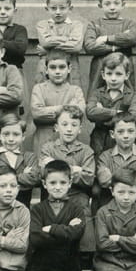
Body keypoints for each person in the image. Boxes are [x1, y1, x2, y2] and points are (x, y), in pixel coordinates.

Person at [39, 105, 96, 251]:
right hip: (52, 200)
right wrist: (76, 170)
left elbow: (89, 179)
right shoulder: (48, 148)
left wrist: (56, 165)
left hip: (78, 200)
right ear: (56, 127)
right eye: (64, 124)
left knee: (86, 239)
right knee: (49, 241)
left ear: (80, 128)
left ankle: (84, 258)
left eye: (74, 125)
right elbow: (44, 173)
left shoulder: (86, 151)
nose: (69, 129)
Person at [30, 49, 86, 156]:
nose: (57, 71)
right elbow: (37, 113)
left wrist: (49, 110)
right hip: (44, 137)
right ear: (46, 70)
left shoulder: (75, 90)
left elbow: (80, 112)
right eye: (52, 67)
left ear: (69, 69)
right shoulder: (39, 88)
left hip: (69, 140)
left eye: (62, 67)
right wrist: (66, 108)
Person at [86, 52, 136, 158]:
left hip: (124, 141)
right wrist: (118, 113)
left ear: (127, 75)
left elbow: (133, 118)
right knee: (100, 166)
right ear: (103, 75)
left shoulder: (133, 95)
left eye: (118, 74)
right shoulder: (97, 93)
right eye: (109, 73)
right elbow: (90, 112)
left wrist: (102, 114)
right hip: (100, 141)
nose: (113, 78)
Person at [83, 0, 136, 91]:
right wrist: (116, 47)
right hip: (100, 66)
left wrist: (107, 38)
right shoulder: (94, 24)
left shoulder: (129, 23)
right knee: (96, 93)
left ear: (123, 5)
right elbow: (89, 46)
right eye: (107, 4)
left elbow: (132, 38)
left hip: (124, 66)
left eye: (116, 3)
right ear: (100, 5)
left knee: (126, 93)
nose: (112, 7)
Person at [95, 113, 136, 213]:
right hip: (111, 203)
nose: (126, 136)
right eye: (120, 132)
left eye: (130, 131)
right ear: (112, 134)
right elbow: (104, 181)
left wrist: (114, 177)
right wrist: (134, 177)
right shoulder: (105, 156)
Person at [0, 113, 39, 207]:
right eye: (6, 134)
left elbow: (33, 179)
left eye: (16, 134)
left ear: (23, 136)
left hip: (21, 208)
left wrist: (0, 181)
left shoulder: (29, 157)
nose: (11, 139)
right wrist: (21, 176)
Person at [36, 0, 85, 87]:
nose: (58, 12)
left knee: (72, 92)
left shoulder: (76, 25)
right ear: (47, 8)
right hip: (47, 67)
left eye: (62, 8)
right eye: (53, 8)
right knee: (45, 91)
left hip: (71, 67)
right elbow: (45, 42)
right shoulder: (42, 24)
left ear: (70, 8)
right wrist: (67, 39)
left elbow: (76, 47)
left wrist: (48, 50)